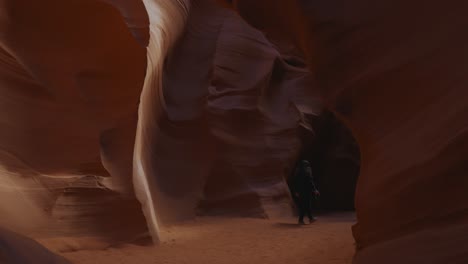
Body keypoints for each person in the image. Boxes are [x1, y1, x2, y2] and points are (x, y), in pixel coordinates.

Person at [289, 160, 320, 225]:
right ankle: (307, 219)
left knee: (304, 205)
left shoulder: (297, 173)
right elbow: (310, 182)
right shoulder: (307, 172)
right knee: (306, 205)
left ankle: (308, 219)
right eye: (307, 165)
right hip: (306, 191)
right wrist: (315, 190)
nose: (308, 167)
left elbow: (294, 183)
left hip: (300, 192)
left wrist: (296, 191)